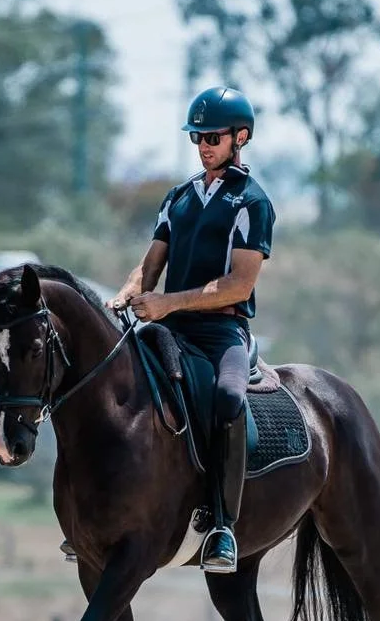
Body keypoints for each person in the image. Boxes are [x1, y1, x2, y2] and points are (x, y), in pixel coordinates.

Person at [110, 86, 276, 573]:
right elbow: (149, 266)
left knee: (228, 398)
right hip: (169, 325)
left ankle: (222, 524)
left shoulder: (251, 203)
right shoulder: (178, 197)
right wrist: (124, 293)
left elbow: (238, 284)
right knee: (114, 383)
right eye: (197, 136)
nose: (203, 144)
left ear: (239, 137)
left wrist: (168, 303)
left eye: (213, 136)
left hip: (221, 332)